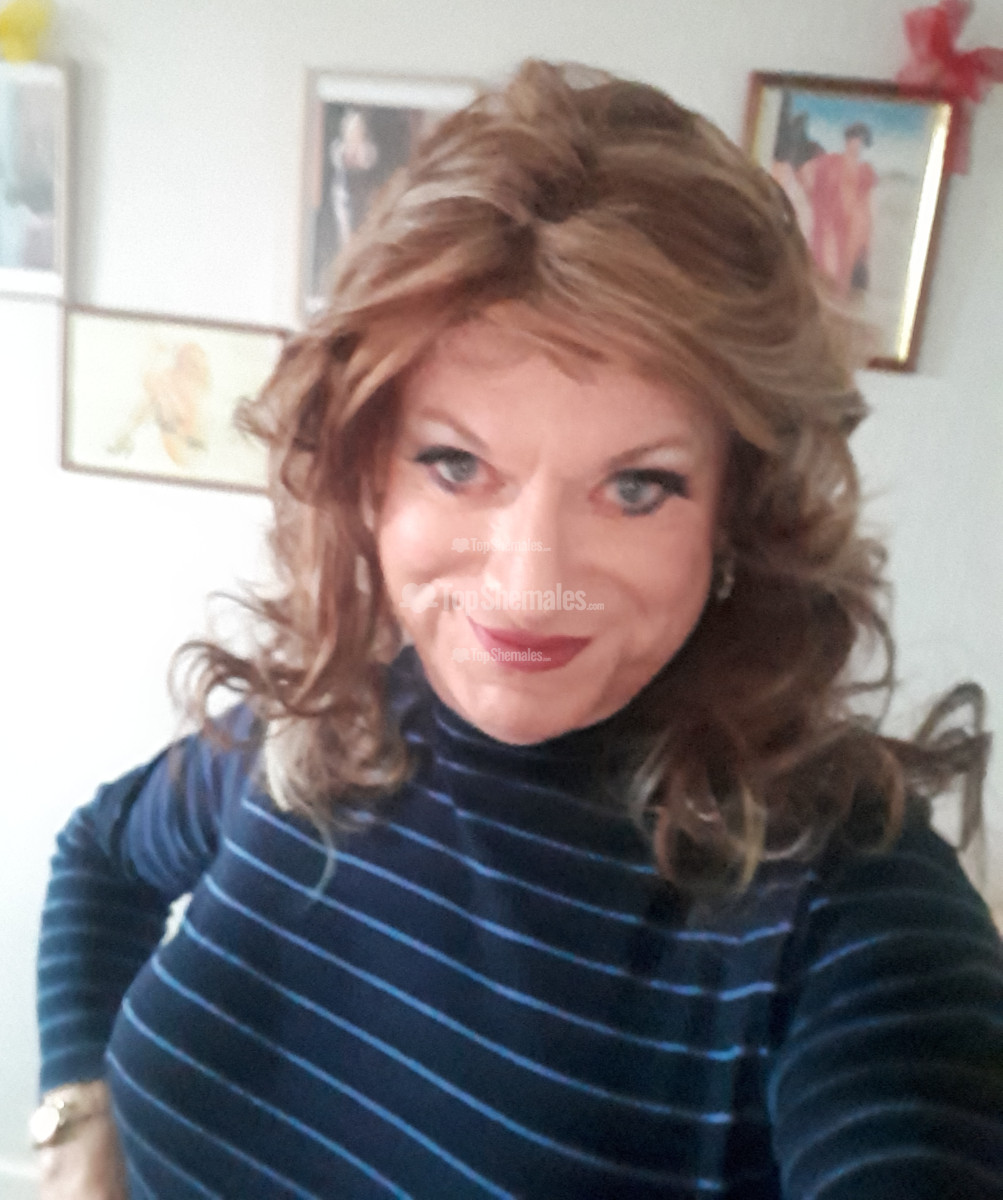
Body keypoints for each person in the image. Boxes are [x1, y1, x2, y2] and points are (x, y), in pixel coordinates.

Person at [35, 60, 1003, 1200]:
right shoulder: (321, 718)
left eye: (636, 487)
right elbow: (99, 853)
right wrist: (76, 1128)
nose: (529, 582)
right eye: (456, 464)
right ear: (369, 477)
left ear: (737, 514)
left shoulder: (839, 903)